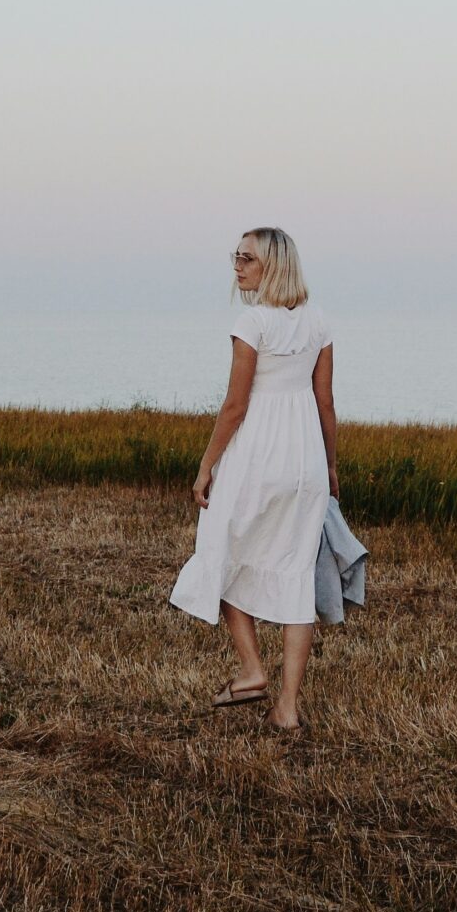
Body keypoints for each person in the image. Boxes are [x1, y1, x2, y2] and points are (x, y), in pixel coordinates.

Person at [168, 226, 337, 733]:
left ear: (272, 267)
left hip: (258, 457)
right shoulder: (318, 322)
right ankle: (287, 708)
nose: (237, 267)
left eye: (246, 259)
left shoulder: (253, 321)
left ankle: (251, 669)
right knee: (295, 575)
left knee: (221, 551)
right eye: (235, 257)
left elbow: (236, 404)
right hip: (304, 459)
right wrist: (329, 467)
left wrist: (206, 466)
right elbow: (325, 403)